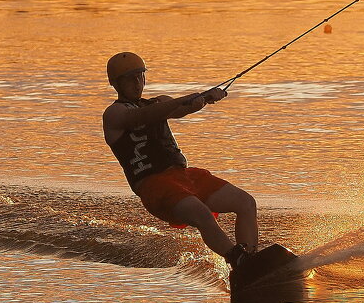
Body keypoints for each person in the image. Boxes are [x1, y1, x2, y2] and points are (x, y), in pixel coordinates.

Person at [102, 52, 258, 270]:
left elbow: (183, 108)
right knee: (201, 213)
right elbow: (144, 116)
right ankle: (236, 259)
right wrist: (183, 99)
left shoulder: (159, 103)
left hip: (184, 177)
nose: (137, 83)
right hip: (154, 186)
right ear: (116, 83)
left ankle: (251, 262)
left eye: (140, 76)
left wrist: (205, 98)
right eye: (130, 79)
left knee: (246, 203)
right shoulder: (114, 114)